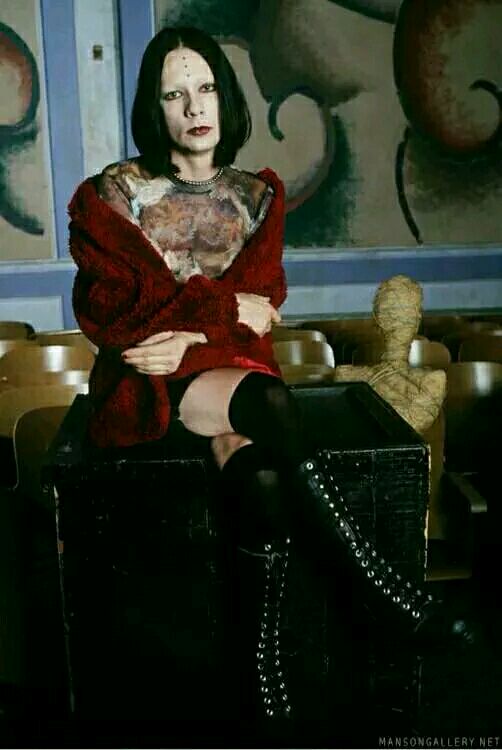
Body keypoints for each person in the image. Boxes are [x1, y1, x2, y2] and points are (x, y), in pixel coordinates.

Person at [68, 26, 474, 723]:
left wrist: (192, 327)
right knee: (271, 403)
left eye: (205, 87)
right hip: (152, 386)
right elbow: (116, 312)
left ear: (225, 98)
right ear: (153, 107)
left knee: (259, 475)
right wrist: (223, 312)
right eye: (173, 93)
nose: (193, 105)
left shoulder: (256, 197)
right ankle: (385, 596)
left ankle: (260, 671)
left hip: (229, 375)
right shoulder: (114, 195)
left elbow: (258, 310)